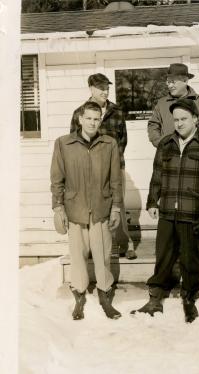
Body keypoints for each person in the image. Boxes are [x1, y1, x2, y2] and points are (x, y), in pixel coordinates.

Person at [134, 98, 199, 323]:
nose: (180, 124)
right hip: (167, 211)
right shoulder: (166, 144)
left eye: (184, 119)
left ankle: (189, 298)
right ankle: (156, 296)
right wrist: (152, 202)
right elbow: (157, 175)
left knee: (189, 258)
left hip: (193, 211)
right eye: (176, 120)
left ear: (195, 119)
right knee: (163, 255)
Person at [51, 101, 123, 320]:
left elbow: (115, 180)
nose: (92, 122)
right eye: (88, 118)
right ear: (80, 119)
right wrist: (58, 207)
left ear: (100, 120)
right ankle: (79, 295)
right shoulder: (64, 144)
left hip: (101, 207)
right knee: (78, 255)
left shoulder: (109, 143)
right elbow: (57, 179)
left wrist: (116, 208)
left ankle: (104, 293)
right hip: (75, 208)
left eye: (96, 118)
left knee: (102, 254)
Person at [70, 73, 137, 260]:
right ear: (91, 89)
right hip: (89, 168)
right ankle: (91, 247)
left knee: (118, 203)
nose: (105, 91)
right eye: (101, 88)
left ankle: (125, 244)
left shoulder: (116, 111)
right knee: (91, 204)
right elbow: (73, 142)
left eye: (107, 88)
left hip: (115, 165)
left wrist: (113, 159)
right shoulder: (79, 113)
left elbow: (123, 139)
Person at [147, 63, 199, 147]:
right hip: (168, 154)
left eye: (173, 82)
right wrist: (160, 143)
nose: (169, 85)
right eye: (168, 82)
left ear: (185, 81)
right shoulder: (161, 103)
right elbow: (153, 125)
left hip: (194, 154)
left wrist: (196, 146)